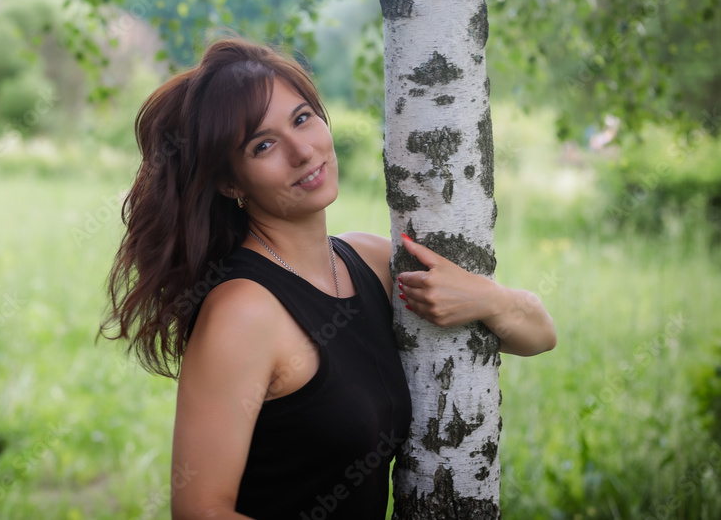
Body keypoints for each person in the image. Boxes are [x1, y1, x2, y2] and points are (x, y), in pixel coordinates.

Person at [101, 36, 556, 519]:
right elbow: (199, 511)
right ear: (230, 182)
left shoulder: (370, 260)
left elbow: (540, 335)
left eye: (302, 118)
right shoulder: (243, 311)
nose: (302, 151)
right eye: (263, 145)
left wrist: (488, 299)